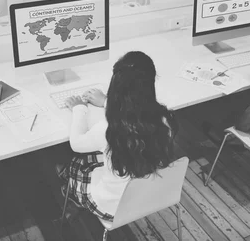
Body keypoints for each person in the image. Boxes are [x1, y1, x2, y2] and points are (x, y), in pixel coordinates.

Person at [59, 51, 179, 221]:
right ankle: (66, 175)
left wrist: (79, 108)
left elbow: (76, 144)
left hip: (111, 206)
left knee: (76, 162)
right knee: (97, 157)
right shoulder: (165, 119)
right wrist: (106, 102)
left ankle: (69, 189)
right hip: (150, 195)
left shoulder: (109, 130)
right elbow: (136, 110)